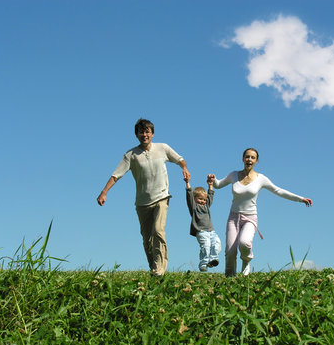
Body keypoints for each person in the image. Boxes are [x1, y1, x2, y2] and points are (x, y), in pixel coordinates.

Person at [97, 118, 190, 276]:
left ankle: (160, 270)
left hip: (161, 197)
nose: (144, 135)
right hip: (142, 202)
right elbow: (116, 175)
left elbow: (180, 159)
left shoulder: (163, 148)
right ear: (136, 135)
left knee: (158, 231)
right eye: (141, 132)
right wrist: (104, 192)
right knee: (147, 239)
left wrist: (185, 168)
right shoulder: (131, 155)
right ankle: (154, 268)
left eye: (147, 131)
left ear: (152, 134)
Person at [208, 148, 312, 277]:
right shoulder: (233, 175)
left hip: (250, 218)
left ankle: (246, 262)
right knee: (230, 251)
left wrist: (300, 199)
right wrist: (213, 180)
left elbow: (278, 190)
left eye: (252, 157)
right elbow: (218, 184)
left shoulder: (261, 178)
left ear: (256, 161)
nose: (249, 160)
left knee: (244, 243)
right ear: (242, 159)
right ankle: (230, 278)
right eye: (247, 157)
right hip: (233, 217)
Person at [184, 174, 221, 272]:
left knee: (217, 244)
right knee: (206, 246)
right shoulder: (194, 207)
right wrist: (187, 183)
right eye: (200, 199)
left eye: (204, 199)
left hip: (211, 231)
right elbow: (189, 195)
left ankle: (213, 259)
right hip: (201, 231)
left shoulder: (207, 206)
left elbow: (211, 195)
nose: (203, 201)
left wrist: (210, 185)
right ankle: (203, 265)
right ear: (194, 198)